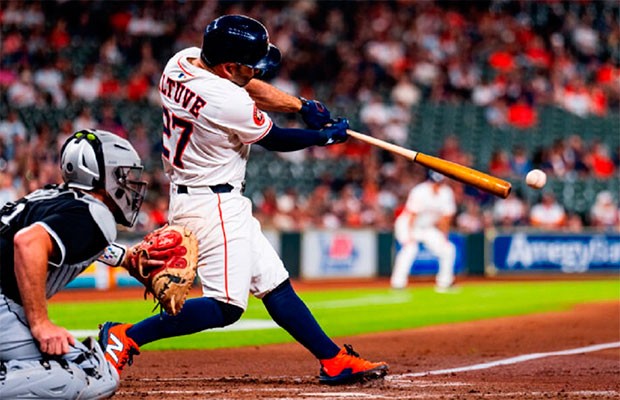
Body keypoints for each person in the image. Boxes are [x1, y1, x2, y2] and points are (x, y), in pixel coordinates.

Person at [98, 14, 388, 385]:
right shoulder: (225, 100)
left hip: (209, 196)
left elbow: (249, 87)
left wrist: (301, 106)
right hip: (211, 203)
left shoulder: (181, 62)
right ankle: (126, 336)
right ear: (228, 67)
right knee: (226, 306)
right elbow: (275, 139)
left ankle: (333, 360)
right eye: (249, 66)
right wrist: (324, 138)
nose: (256, 71)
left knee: (274, 284)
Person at [0, 129, 148, 399]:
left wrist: (126, 259)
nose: (130, 184)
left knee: (89, 365)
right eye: (123, 175)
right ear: (103, 176)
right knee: (94, 374)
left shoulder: (53, 196)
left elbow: (63, 237)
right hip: (3, 307)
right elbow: (28, 242)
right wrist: (40, 323)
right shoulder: (94, 213)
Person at [390, 171, 457, 292]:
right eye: (434, 182)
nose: (436, 185)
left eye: (439, 183)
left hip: (427, 227)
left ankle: (445, 283)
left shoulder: (446, 193)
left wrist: (444, 236)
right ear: (429, 181)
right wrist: (409, 236)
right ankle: (398, 283)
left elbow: (446, 218)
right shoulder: (419, 191)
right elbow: (412, 215)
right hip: (407, 224)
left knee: (448, 249)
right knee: (410, 249)